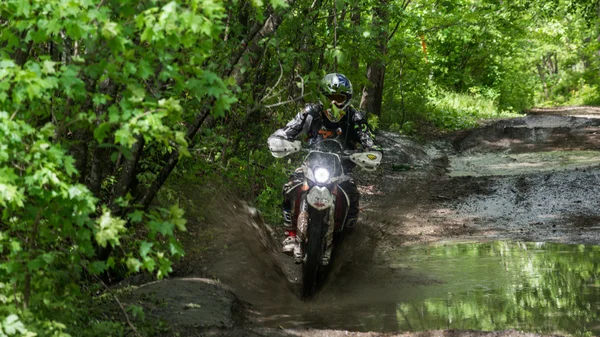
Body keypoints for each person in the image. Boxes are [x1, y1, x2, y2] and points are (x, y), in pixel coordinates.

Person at [267, 73, 381, 260]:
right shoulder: (311, 112)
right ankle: (290, 234)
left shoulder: (355, 117)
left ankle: (344, 240)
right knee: (290, 187)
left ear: (347, 99)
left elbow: (370, 141)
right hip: (311, 164)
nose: (335, 103)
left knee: (352, 195)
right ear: (323, 97)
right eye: (331, 98)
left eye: (339, 98)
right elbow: (289, 129)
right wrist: (282, 139)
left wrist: (372, 152)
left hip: (342, 169)